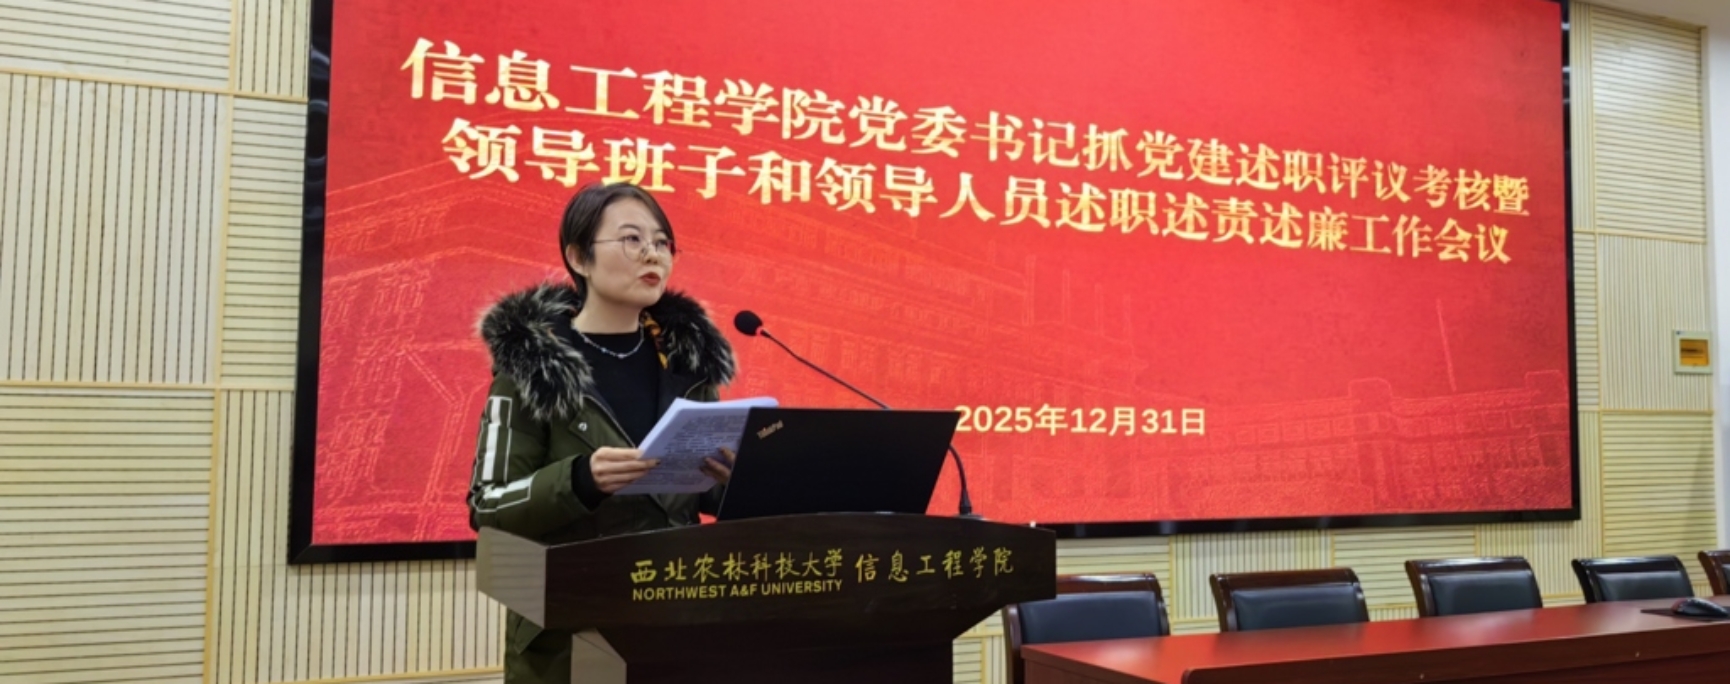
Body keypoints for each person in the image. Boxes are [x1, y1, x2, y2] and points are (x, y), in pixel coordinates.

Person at [466, 182, 736, 684]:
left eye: (661, 242)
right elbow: (488, 504)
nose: (652, 254)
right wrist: (580, 479)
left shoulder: (687, 367)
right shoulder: (532, 369)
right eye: (632, 239)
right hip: (571, 636)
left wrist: (732, 480)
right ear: (579, 257)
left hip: (674, 622)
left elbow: (693, 496)